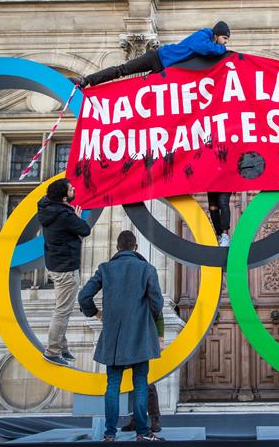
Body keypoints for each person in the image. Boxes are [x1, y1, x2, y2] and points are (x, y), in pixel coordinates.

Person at [78, 231, 165, 442]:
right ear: (136, 247)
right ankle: (142, 433)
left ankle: (109, 434)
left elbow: (83, 296)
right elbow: (158, 304)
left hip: (114, 337)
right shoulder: (147, 269)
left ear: (117, 248)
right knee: (140, 384)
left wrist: (96, 313)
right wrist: (146, 319)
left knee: (113, 386)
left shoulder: (105, 269)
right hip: (140, 335)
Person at [71, 21, 231, 88]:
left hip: (163, 70)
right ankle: (84, 81)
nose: (225, 43)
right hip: (157, 57)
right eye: (225, 38)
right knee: (122, 70)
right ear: (217, 34)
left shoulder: (210, 41)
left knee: (139, 87)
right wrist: (223, 51)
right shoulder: (203, 35)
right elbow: (203, 48)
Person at [38, 178, 91, 367]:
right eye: (70, 188)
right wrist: (76, 218)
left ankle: (62, 346)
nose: (74, 188)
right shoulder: (64, 215)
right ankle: (52, 351)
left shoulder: (47, 209)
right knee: (63, 310)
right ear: (63, 196)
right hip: (66, 267)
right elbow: (85, 230)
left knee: (62, 307)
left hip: (55, 264)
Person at [120, 313, 164, 434]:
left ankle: (154, 419)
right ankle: (135, 419)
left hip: (144, 341)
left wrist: (160, 338)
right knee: (130, 382)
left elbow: (159, 312)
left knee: (147, 383)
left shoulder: (147, 294)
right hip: (126, 342)